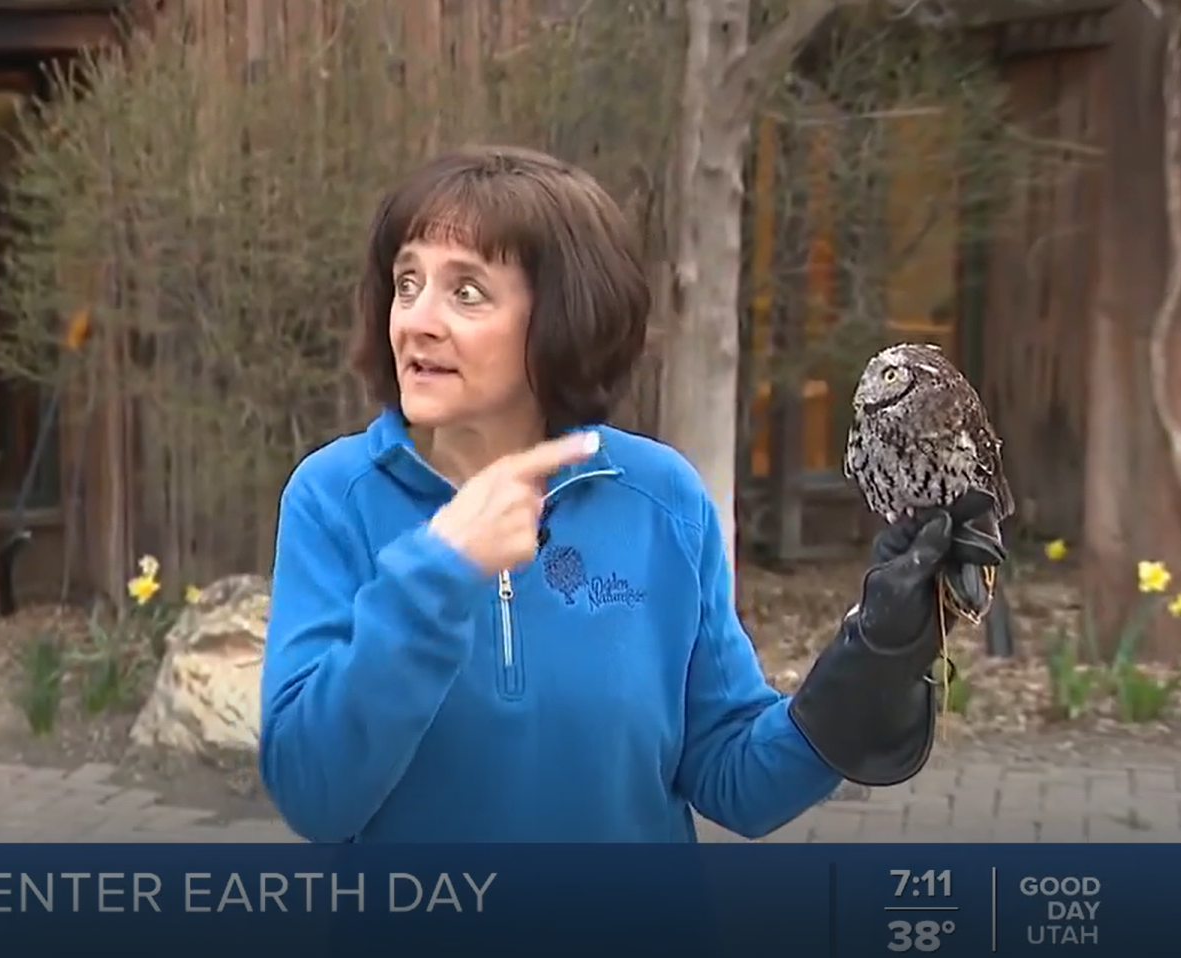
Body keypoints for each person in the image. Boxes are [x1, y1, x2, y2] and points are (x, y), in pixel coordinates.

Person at [257, 145, 1003, 843]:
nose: (417, 320)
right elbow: (314, 795)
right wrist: (439, 574)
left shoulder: (659, 498)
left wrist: (871, 661)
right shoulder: (335, 499)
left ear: (559, 317)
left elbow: (733, 776)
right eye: (407, 282)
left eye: (467, 292)